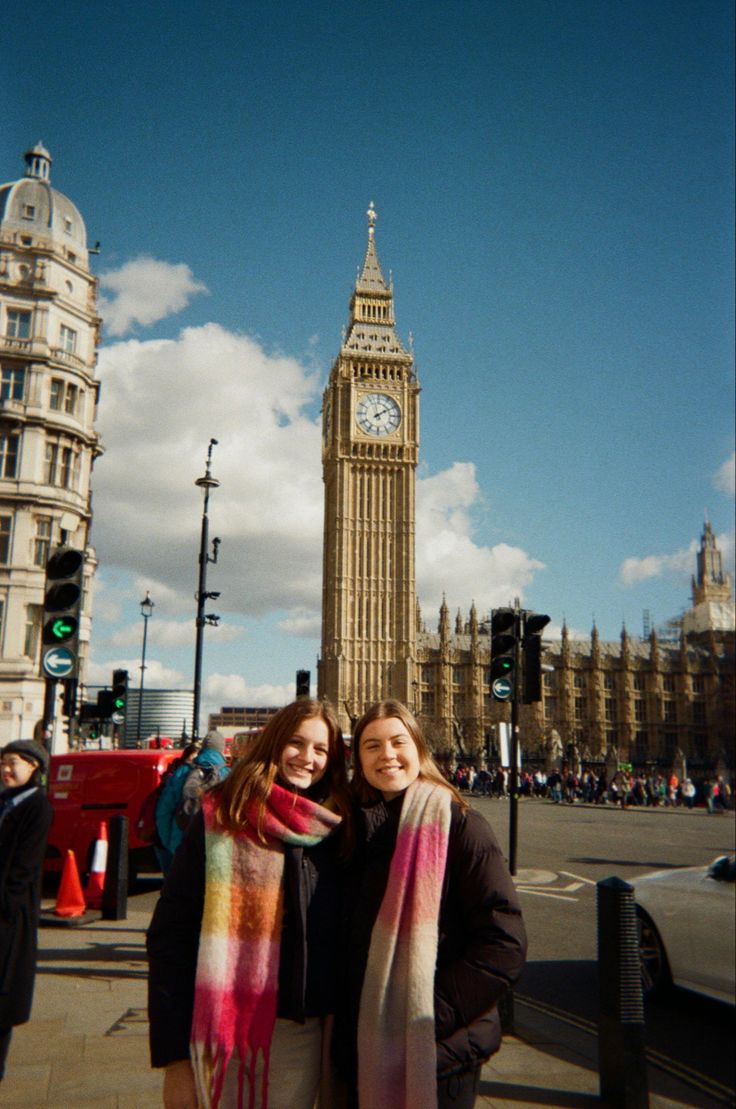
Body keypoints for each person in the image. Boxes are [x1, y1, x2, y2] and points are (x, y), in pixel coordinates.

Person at [147, 699, 351, 1109]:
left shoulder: (340, 829)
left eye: (321, 749)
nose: (307, 758)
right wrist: (173, 1059)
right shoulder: (224, 814)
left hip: (303, 1035)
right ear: (274, 743)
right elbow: (171, 937)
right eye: (296, 742)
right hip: (224, 1025)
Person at [333, 700, 527, 1109]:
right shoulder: (348, 828)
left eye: (397, 742)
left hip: (437, 1052)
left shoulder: (459, 824)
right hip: (362, 1044)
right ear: (358, 758)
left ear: (418, 749)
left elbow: (503, 943)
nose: (386, 754)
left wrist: (425, 1015)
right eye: (372, 745)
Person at [0, 740, 54, 1082]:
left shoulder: (37, 806)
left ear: (34, 766)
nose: (6, 769)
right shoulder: (5, 801)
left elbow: (24, 867)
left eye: (13, 763)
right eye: (3, 763)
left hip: (9, 917)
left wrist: (7, 904)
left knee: (2, 1000)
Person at [154, 732, 229, 874]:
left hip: (183, 846)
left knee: (180, 894)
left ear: (203, 749)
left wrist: (170, 844)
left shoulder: (183, 772)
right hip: (217, 849)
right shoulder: (228, 775)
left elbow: (163, 811)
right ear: (222, 750)